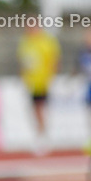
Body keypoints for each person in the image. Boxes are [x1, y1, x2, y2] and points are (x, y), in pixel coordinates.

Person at [18, 18, 60, 155]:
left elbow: (53, 61)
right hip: (32, 83)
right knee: (35, 111)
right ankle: (40, 136)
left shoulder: (46, 42)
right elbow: (23, 64)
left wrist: (50, 78)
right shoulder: (25, 43)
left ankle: (43, 138)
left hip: (43, 82)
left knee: (41, 109)